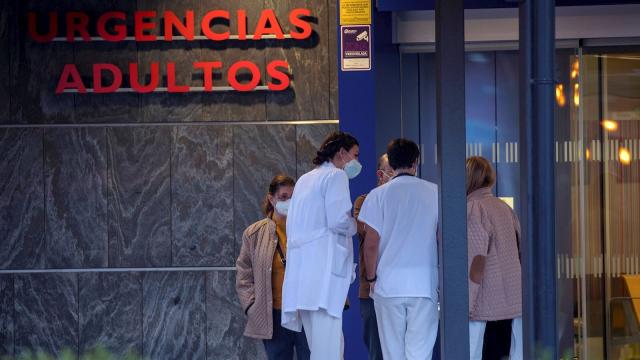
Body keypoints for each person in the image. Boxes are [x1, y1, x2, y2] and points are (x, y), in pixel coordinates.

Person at [281, 131, 360, 360]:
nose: (357, 162)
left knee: (321, 348)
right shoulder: (336, 176)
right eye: (355, 155)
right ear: (342, 153)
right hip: (325, 278)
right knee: (330, 351)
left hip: (302, 280)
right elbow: (338, 220)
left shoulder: (305, 179)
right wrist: (356, 225)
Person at [358, 138, 439, 360]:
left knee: (393, 353)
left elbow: (371, 244)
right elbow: (442, 239)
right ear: (415, 162)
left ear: (391, 164)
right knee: (420, 353)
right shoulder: (434, 192)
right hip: (424, 284)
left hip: (388, 286)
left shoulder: (377, 195)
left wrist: (372, 278)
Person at [236, 175, 311, 360]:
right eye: (284, 197)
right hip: (274, 316)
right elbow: (243, 274)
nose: (289, 202)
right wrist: (251, 306)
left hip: (305, 312)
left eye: (293, 197)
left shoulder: (309, 229)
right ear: (271, 199)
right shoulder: (254, 233)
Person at [465, 156, 522, 360]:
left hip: (484, 303)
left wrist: (465, 303)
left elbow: (476, 262)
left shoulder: (473, 209)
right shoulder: (505, 208)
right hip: (512, 302)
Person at [353, 154, 392, 360]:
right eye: (391, 171)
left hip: (397, 288)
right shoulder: (364, 201)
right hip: (370, 289)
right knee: (376, 347)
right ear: (380, 174)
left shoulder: (404, 201)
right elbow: (366, 231)